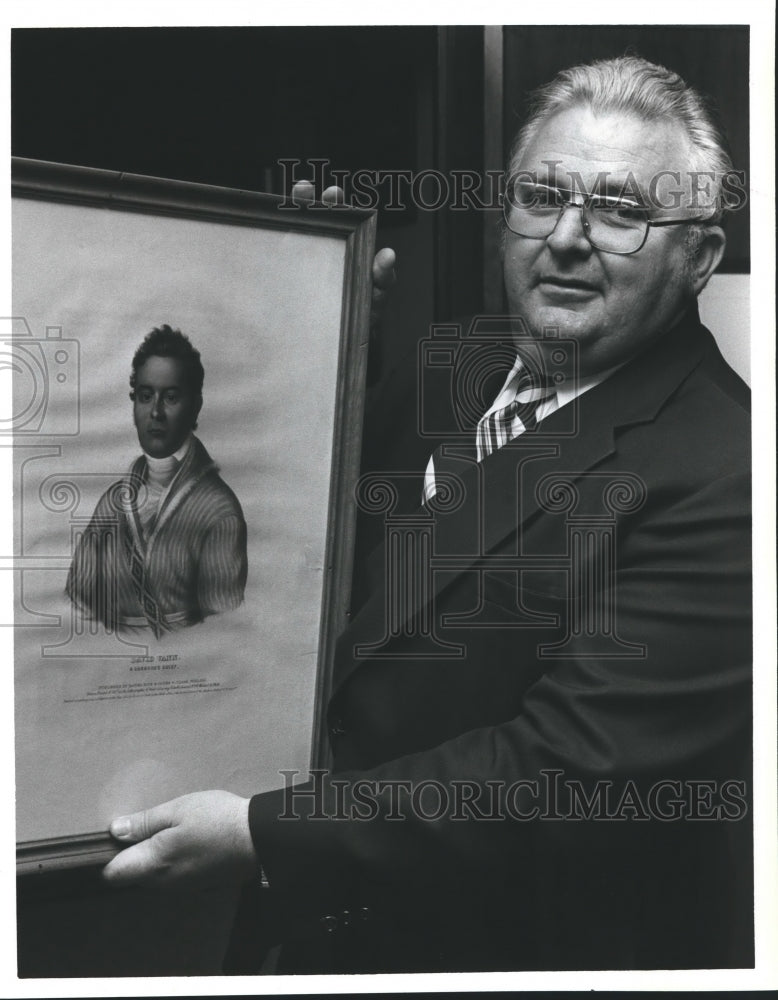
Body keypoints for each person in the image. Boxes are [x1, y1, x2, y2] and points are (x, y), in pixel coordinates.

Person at [102, 56, 751, 972]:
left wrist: (267, 835)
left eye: (620, 210)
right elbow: (321, 555)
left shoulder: (729, 471)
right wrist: (315, 332)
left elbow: (562, 777)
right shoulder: (461, 358)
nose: (567, 236)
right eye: (542, 195)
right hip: (328, 940)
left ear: (700, 258)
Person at [66, 325, 248, 637]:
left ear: (195, 405)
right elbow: (78, 604)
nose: (156, 412)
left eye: (171, 397)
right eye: (146, 396)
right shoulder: (113, 502)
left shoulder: (218, 509)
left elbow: (224, 629)